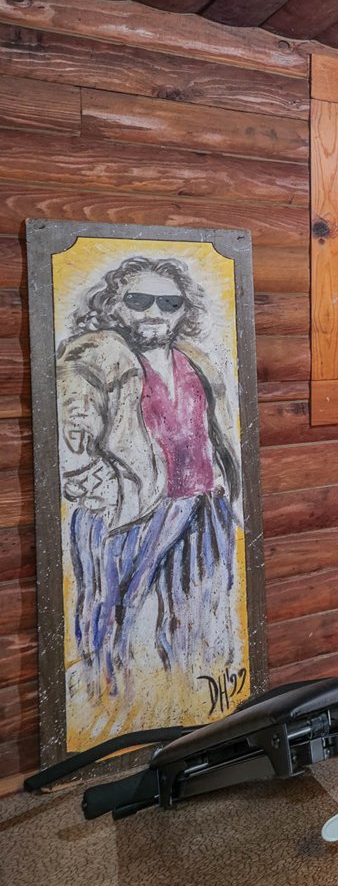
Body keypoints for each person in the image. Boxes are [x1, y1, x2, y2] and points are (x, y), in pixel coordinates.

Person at [56, 256, 243, 700]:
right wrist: (101, 493)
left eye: (168, 302)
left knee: (199, 613)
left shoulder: (194, 358)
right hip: (128, 512)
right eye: (139, 300)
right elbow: (70, 435)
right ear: (112, 304)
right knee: (109, 618)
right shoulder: (94, 354)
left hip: (201, 504)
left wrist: (220, 484)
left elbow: (216, 427)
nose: (154, 312)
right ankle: (112, 707)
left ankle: (191, 704)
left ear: (184, 309)